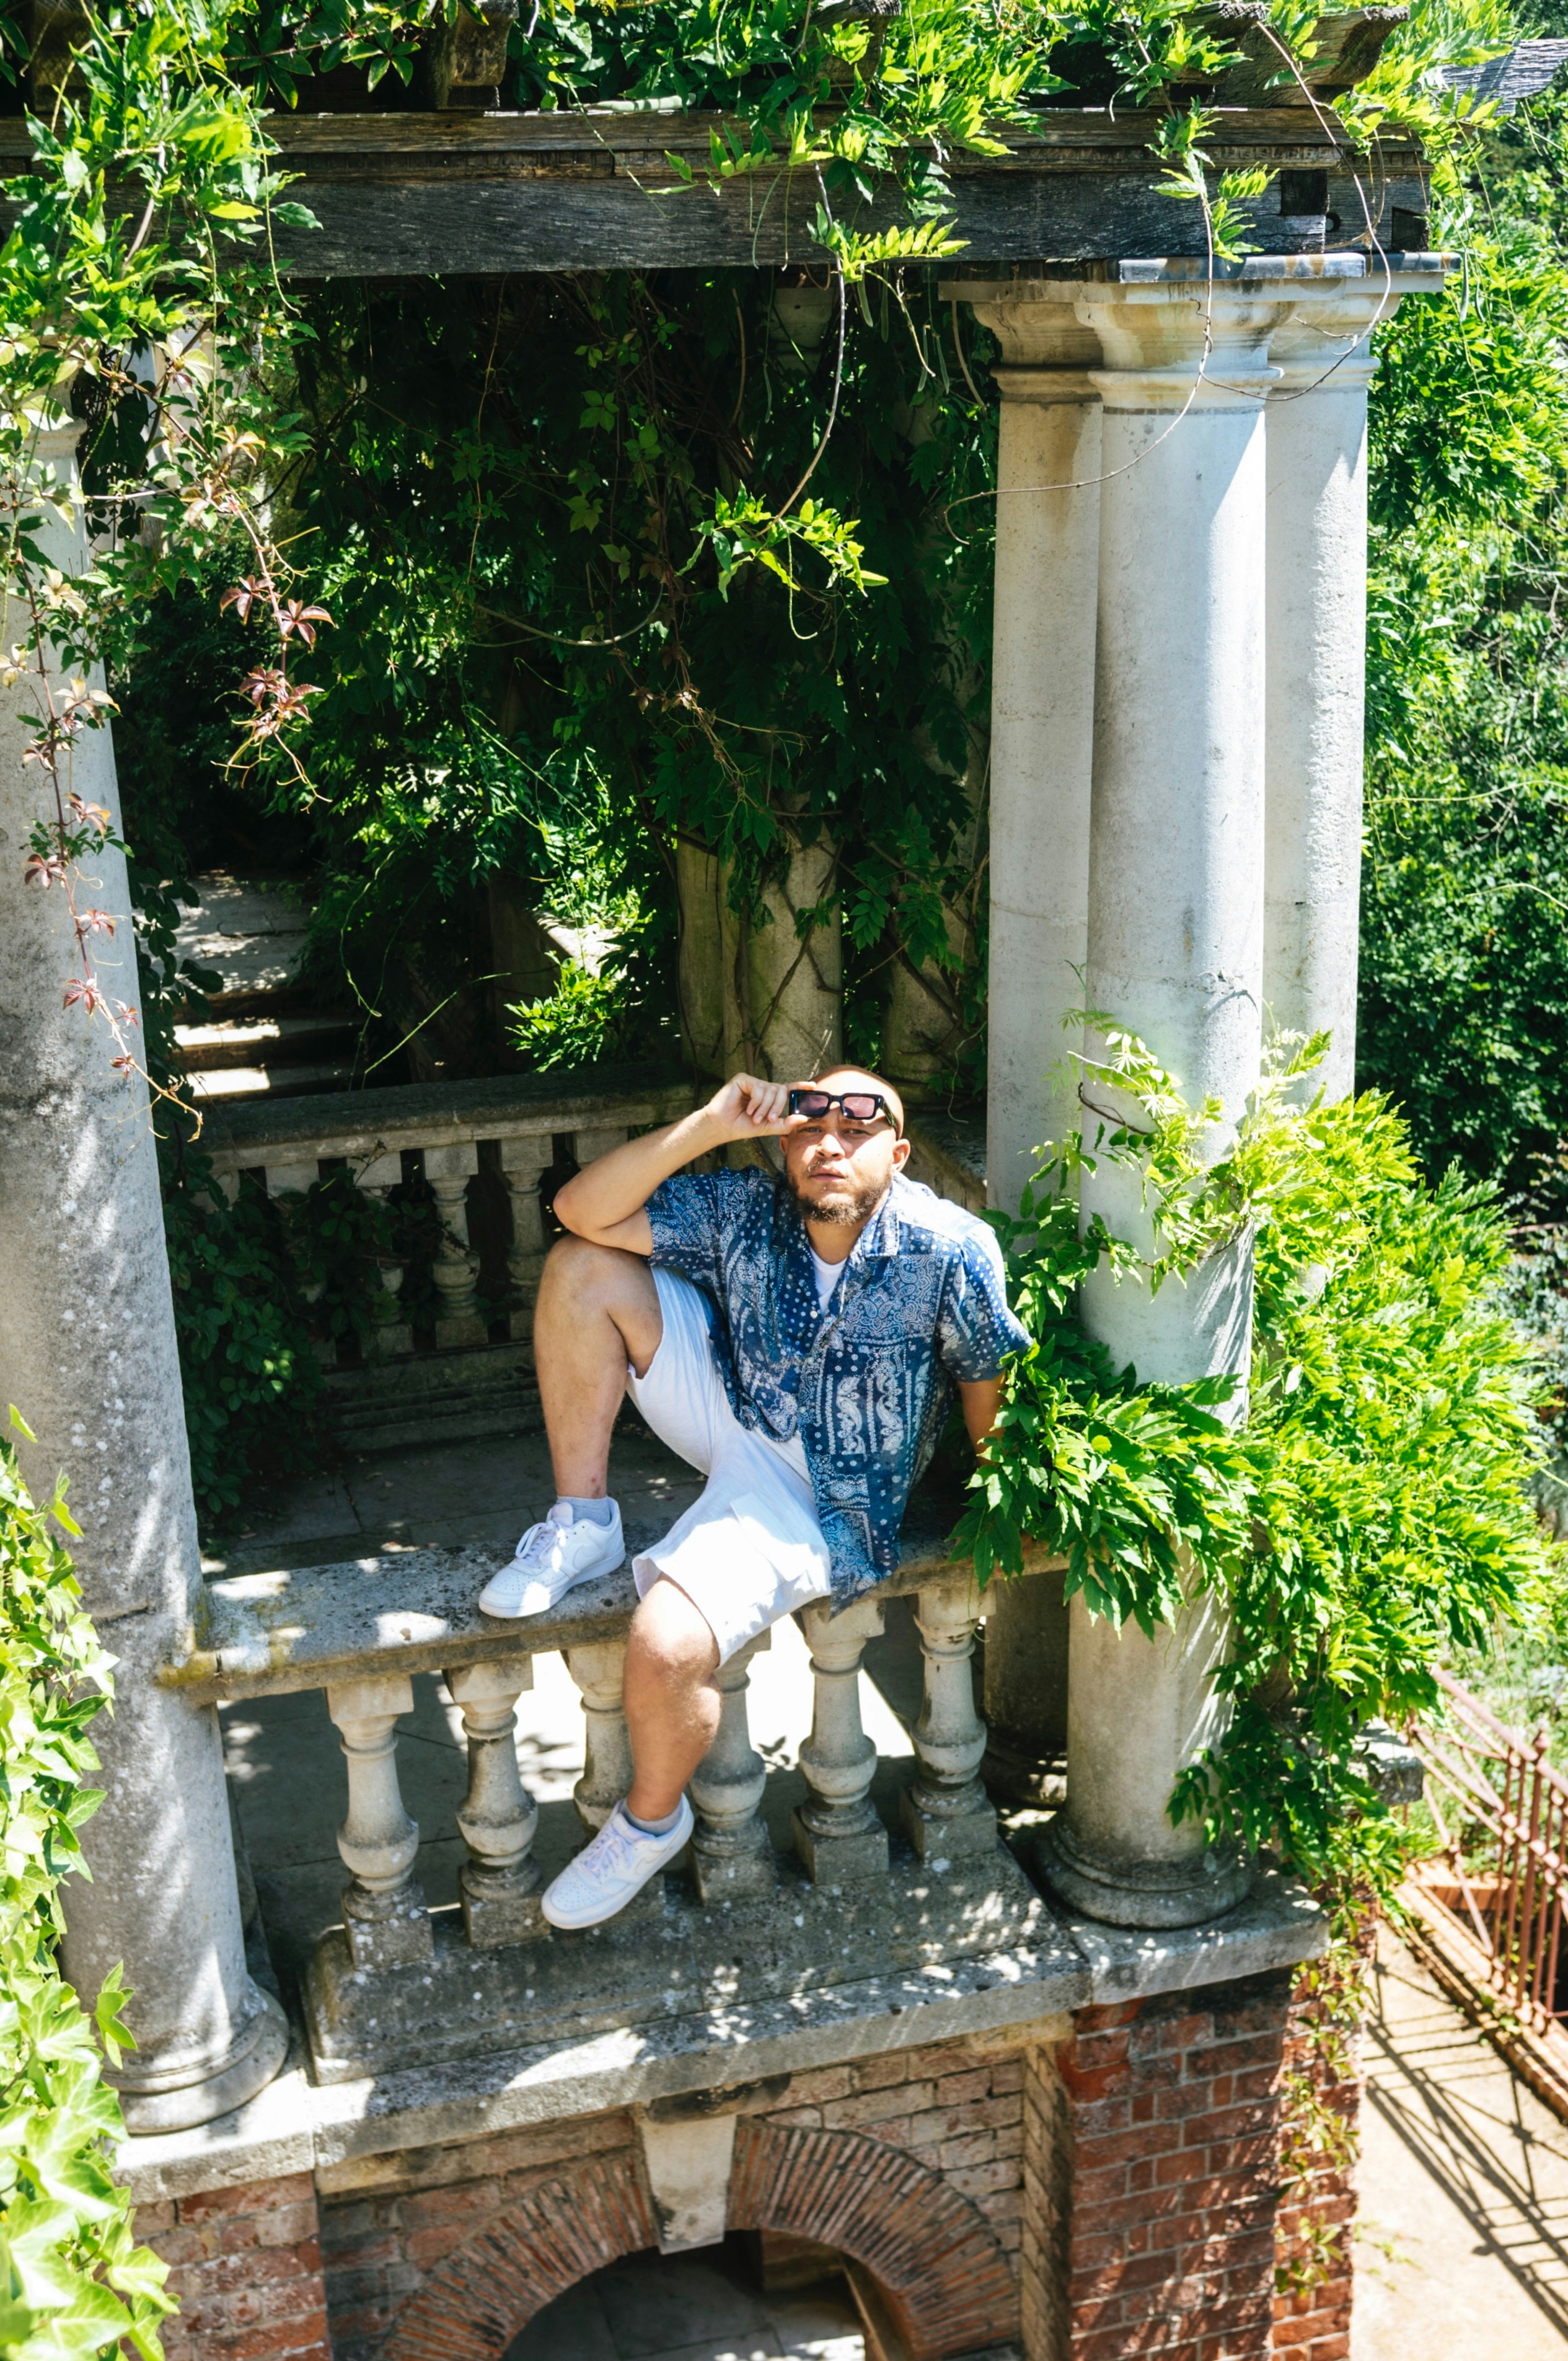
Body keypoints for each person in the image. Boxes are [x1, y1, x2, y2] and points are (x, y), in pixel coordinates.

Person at [477, 1066, 1028, 1930]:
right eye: (809, 1126)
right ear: (782, 1143)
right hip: (733, 1405)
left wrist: (995, 1506)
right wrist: (707, 1123)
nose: (830, 1144)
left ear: (899, 1150)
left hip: (818, 1487)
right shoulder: (748, 1205)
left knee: (664, 1638)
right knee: (582, 1265)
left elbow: (981, 1374)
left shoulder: (947, 1247)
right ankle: (583, 1522)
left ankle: (651, 1820)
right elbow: (582, 1212)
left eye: (858, 1126)